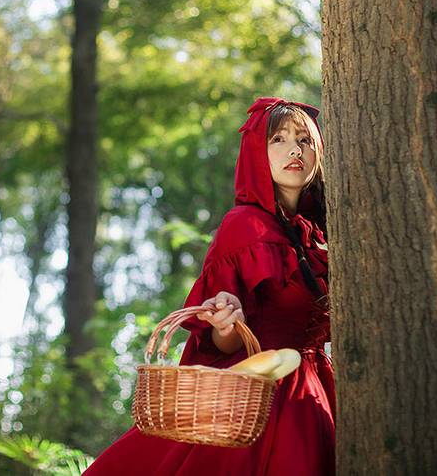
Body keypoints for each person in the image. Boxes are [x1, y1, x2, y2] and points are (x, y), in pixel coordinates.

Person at [83, 97, 334, 476]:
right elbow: (222, 345)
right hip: (260, 399)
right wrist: (226, 325)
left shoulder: (321, 233)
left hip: (318, 390)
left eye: (305, 139)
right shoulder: (244, 226)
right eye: (278, 139)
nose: (294, 149)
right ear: (255, 153)